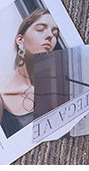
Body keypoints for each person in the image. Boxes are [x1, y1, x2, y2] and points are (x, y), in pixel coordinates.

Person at [0, 8, 59, 138]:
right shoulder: (3, 98)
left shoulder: (58, 86)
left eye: (55, 34)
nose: (50, 36)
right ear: (20, 40)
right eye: (40, 29)